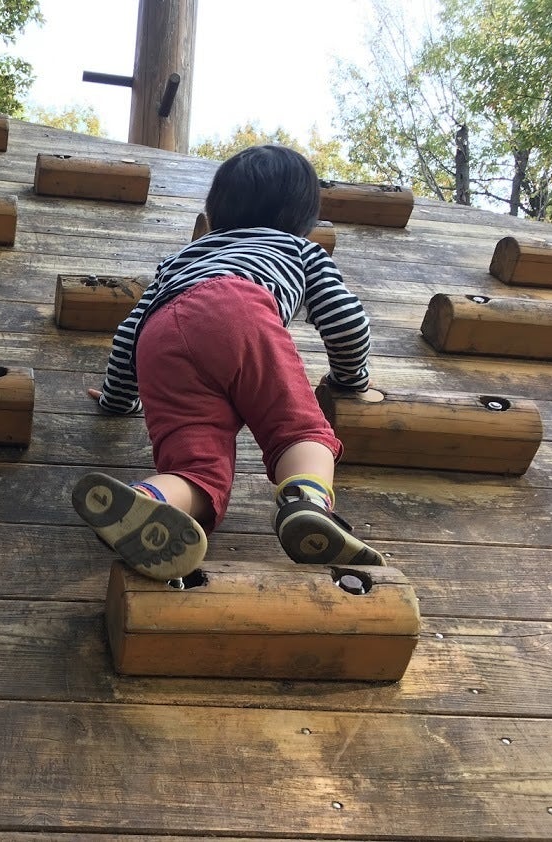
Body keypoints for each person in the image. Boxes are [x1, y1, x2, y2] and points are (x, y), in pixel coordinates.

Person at [71, 144, 383, 582]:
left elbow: (128, 333)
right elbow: (346, 321)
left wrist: (118, 399)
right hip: (240, 311)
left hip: (161, 336)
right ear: (304, 220)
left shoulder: (178, 261)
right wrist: (350, 377)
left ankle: (148, 498)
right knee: (297, 430)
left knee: (196, 468)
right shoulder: (299, 249)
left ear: (215, 213)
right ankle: (306, 501)